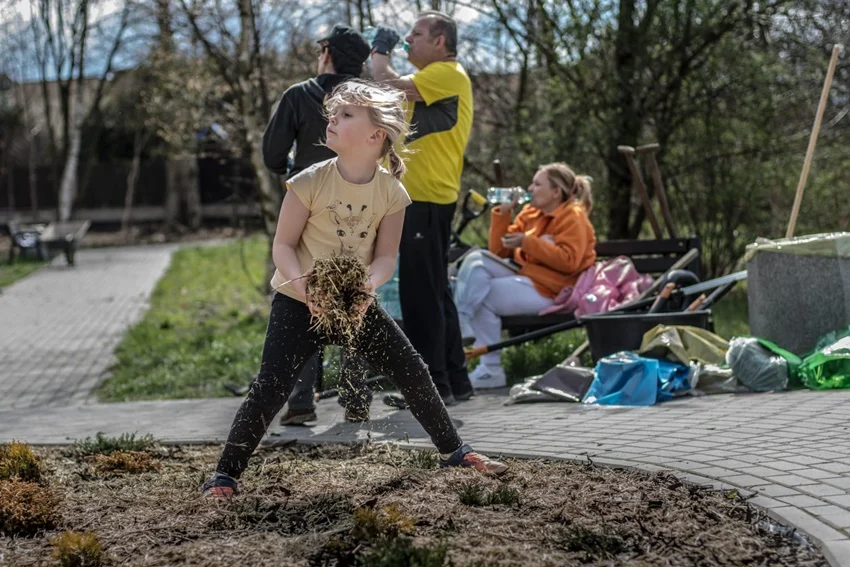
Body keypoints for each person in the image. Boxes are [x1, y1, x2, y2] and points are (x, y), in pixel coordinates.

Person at [201, 81, 508, 498]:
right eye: (333, 112)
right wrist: (304, 289)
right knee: (270, 387)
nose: (332, 118)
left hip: (353, 302)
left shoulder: (392, 192)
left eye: (345, 115)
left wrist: (367, 289)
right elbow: (283, 246)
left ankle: (455, 452)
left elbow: (385, 258)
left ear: (375, 135)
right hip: (298, 302)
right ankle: (224, 476)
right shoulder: (308, 182)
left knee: (413, 371)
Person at [262, 24, 373, 425]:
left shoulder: (298, 95)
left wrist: (293, 167)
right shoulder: (372, 99)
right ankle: (357, 397)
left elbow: (272, 155)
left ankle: (301, 403)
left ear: (326, 53)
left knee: (306, 296)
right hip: (362, 205)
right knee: (357, 293)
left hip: (308, 207)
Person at [369, 11, 474, 406]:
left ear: (440, 41)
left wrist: (379, 51)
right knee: (435, 290)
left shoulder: (448, 73)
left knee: (419, 296)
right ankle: (455, 382)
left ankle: (430, 388)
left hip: (426, 198)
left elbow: (387, 85)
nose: (409, 40)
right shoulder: (434, 79)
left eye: (417, 34)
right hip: (427, 198)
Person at [453, 163, 598, 389]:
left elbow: (569, 262)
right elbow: (498, 252)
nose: (530, 188)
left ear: (556, 192)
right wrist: (503, 213)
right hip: (525, 276)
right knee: (477, 259)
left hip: (553, 290)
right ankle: (463, 321)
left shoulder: (573, 216)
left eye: (537, 184)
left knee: (483, 296)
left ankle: (490, 369)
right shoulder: (531, 213)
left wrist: (527, 242)